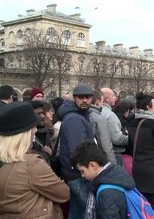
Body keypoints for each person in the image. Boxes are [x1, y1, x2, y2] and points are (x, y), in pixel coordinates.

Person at [0, 102, 70, 218]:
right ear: (21, 135)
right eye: (32, 127)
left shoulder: (6, 161)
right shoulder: (31, 164)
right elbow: (63, 193)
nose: (36, 130)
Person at [127, 92, 154, 219]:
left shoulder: (132, 123)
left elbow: (129, 146)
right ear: (148, 107)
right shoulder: (153, 124)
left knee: (142, 204)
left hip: (138, 168)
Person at [70, 141, 135, 219]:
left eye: (82, 171)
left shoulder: (105, 193)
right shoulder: (116, 172)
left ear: (93, 165)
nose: (82, 175)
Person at [58, 84, 95, 219]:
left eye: (88, 97)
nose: (85, 100)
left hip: (75, 173)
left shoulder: (80, 115)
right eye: (81, 97)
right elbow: (78, 150)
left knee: (77, 211)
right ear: (74, 99)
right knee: (88, 211)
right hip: (78, 174)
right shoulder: (75, 119)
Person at [101, 87, 128, 166]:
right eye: (113, 96)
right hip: (114, 154)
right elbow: (117, 139)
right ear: (106, 98)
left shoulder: (96, 112)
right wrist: (132, 137)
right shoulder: (110, 115)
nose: (116, 98)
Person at [88, 90, 117, 164]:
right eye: (101, 101)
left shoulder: (84, 115)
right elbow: (106, 146)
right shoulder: (99, 118)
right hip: (99, 160)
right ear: (98, 101)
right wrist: (113, 166)